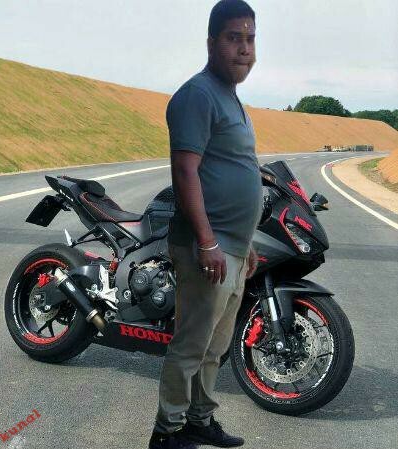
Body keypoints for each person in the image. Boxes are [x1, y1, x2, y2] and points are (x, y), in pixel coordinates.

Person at [148, 1, 263, 448]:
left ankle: (199, 419)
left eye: (250, 39)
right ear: (212, 43)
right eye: (234, 38)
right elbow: (185, 171)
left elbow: (232, 168)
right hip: (206, 247)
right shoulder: (198, 94)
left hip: (233, 247)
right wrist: (208, 241)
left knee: (215, 347)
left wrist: (245, 243)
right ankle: (168, 432)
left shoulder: (229, 96)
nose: (244, 49)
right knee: (192, 344)